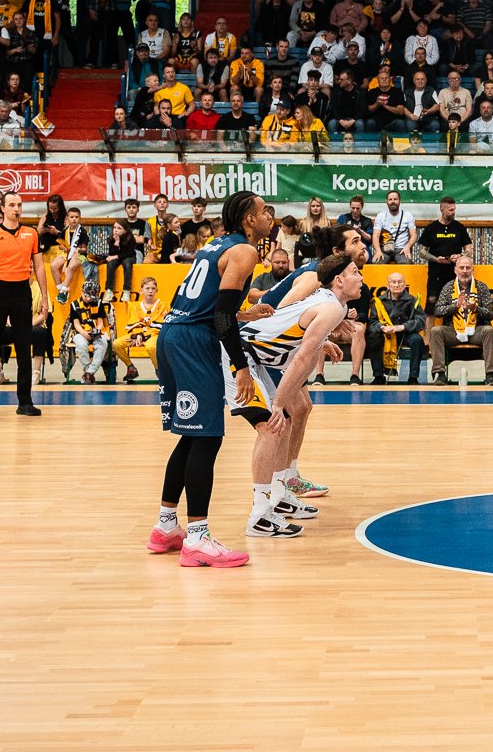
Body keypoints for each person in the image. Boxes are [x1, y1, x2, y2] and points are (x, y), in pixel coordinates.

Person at [148, 192, 271, 567]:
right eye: (264, 211)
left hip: (172, 333)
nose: (269, 215)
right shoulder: (245, 251)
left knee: (191, 435)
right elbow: (219, 317)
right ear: (249, 219)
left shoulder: (214, 245)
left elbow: (204, 304)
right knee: (207, 436)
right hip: (192, 342)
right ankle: (197, 539)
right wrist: (241, 367)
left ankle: (166, 527)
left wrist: (245, 314)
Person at [231, 248, 362, 537]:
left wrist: (322, 342)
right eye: (355, 272)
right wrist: (278, 403)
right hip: (239, 354)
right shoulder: (331, 307)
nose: (361, 277)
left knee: (285, 423)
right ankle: (259, 515)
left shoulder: (331, 303)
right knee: (271, 426)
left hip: (257, 356)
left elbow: (295, 326)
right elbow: (302, 359)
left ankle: (278, 496)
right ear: (339, 281)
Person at [0, 192, 50, 418]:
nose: (17, 209)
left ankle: (25, 402)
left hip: (22, 291)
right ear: (3, 209)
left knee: (24, 348)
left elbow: (39, 267)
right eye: (12, 205)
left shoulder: (31, 233)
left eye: (20, 205)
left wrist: (45, 298)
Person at [426, 254, 493, 384]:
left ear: (472, 270)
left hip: (476, 331)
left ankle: (490, 375)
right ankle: (440, 374)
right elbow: (437, 311)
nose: (464, 271)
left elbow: (490, 314)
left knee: (489, 330)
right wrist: (455, 306)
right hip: (453, 331)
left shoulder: (481, 287)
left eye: (467, 268)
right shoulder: (448, 287)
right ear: (455, 270)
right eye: (461, 268)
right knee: (436, 331)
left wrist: (476, 308)